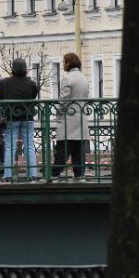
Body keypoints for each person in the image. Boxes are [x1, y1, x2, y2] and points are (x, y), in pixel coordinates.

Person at [0, 58, 40, 182]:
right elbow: (33, 95)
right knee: (29, 147)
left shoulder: (5, 83)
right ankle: (32, 174)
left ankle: (8, 175)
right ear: (25, 69)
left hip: (11, 118)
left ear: (13, 69)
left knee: (10, 147)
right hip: (27, 117)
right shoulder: (31, 83)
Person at [53, 52, 91, 181]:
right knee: (78, 151)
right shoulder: (83, 78)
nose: (63, 65)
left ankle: (54, 173)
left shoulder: (68, 79)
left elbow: (63, 100)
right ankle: (79, 175)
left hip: (68, 120)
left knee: (63, 149)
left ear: (69, 63)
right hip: (81, 119)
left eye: (64, 62)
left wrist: (58, 114)